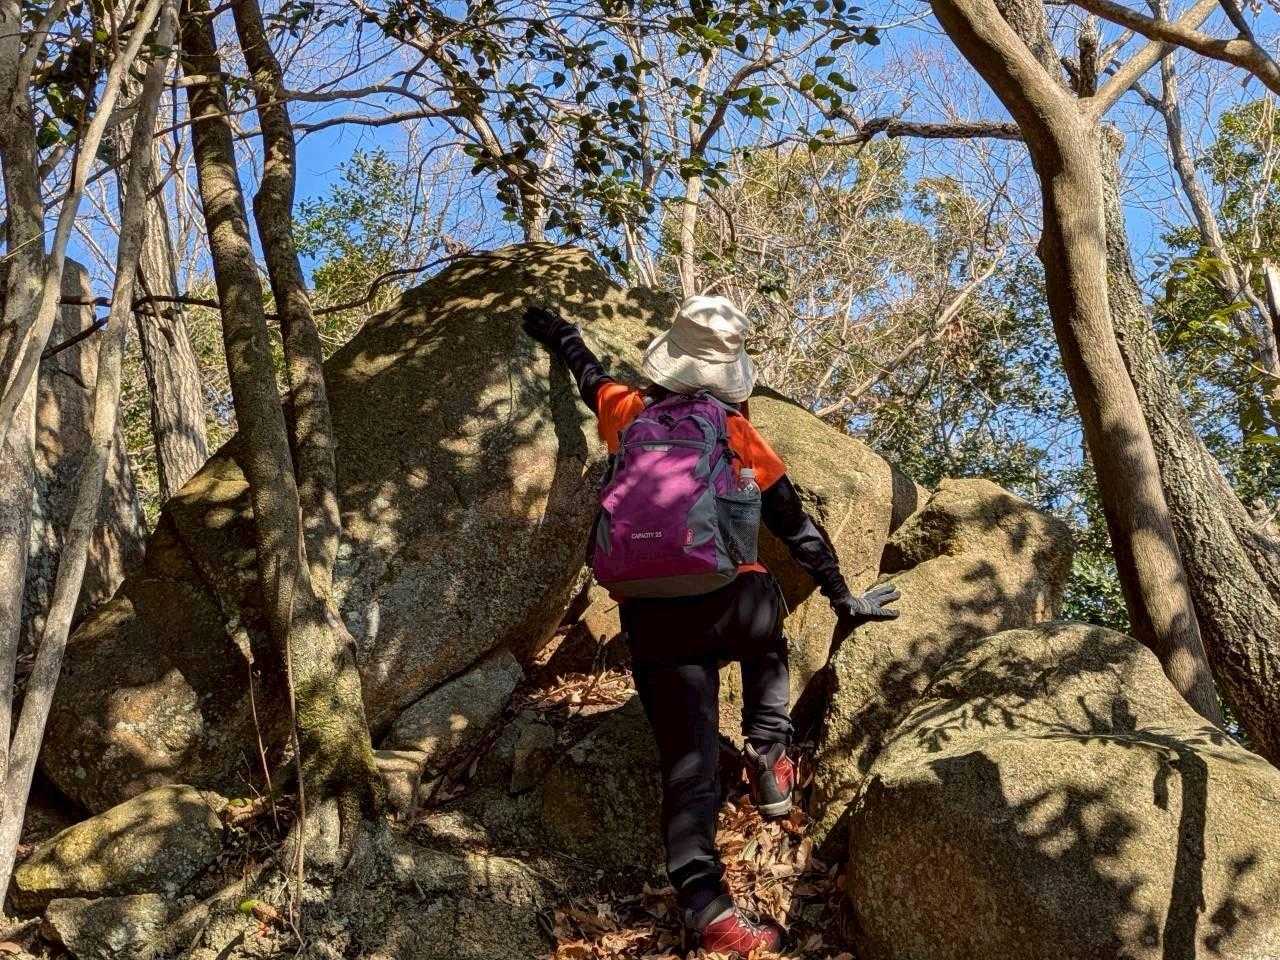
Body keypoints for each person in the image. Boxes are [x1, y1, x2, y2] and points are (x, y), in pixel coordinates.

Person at [523, 295, 900, 956]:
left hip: (651, 624)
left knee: (687, 767)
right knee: (765, 609)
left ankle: (707, 908)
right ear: (729, 375)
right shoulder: (733, 430)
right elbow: (795, 526)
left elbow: (587, 376)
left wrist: (560, 332)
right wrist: (845, 598)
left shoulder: (628, 411)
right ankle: (769, 749)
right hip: (729, 608)